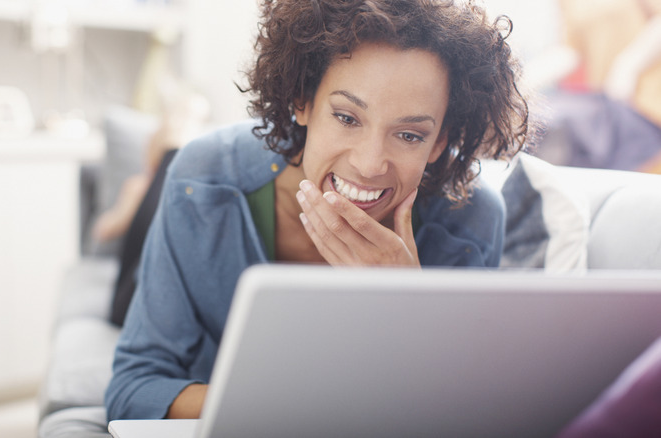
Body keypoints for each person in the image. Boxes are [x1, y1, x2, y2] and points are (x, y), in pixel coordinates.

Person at [105, 0, 530, 421]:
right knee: (165, 174)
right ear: (302, 99)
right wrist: (298, 408)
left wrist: (407, 311)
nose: (369, 164)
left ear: (440, 142)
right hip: (179, 209)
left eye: (408, 134)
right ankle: (147, 177)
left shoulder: (471, 220)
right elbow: (134, 389)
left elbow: (459, 414)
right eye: (347, 117)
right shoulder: (205, 180)